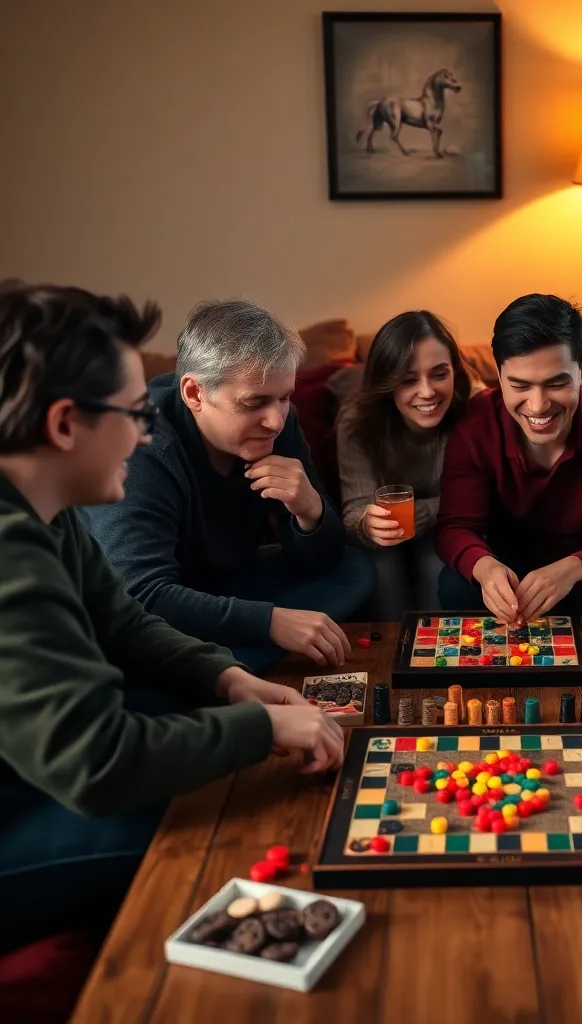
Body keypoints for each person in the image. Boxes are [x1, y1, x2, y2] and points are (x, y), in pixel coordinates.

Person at [0, 284, 345, 952]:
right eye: (134, 412)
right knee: (200, 813)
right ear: (66, 424)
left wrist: (228, 681)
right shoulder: (11, 550)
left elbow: (124, 620)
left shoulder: (49, 509)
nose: (146, 430)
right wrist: (259, 726)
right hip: (20, 808)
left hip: (43, 769)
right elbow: (98, 763)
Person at [81, 298, 374, 673]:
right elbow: (140, 594)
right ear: (194, 394)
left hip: (226, 586)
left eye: (284, 398)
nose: (275, 421)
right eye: (254, 403)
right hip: (151, 607)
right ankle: (219, 670)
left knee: (354, 569)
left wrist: (309, 512)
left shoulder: (279, 425)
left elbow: (323, 558)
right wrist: (271, 623)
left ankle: (214, 667)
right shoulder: (141, 445)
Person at [436, 293, 582, 623]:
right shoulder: (475, 422)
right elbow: (455, 526)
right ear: (499, 376)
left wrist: (575, 567)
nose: (537, 405)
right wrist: (484, 567)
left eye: (556, 383)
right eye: (519, 385)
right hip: (510, 576)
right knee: (454, 583)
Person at [338, 311, 471, 619]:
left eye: (440, 374)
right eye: (408, 380)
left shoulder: (473, 409)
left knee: (436, 562)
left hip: (449, 527)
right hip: (384, 543)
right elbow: (354, 510)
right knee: (382, 564)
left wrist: (421, 513)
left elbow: (486, 498)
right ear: (387, 383)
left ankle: (438, 660)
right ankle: (391, 659)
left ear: (455, 371)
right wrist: (368, 524)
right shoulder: (358, 421)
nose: (427, 392)